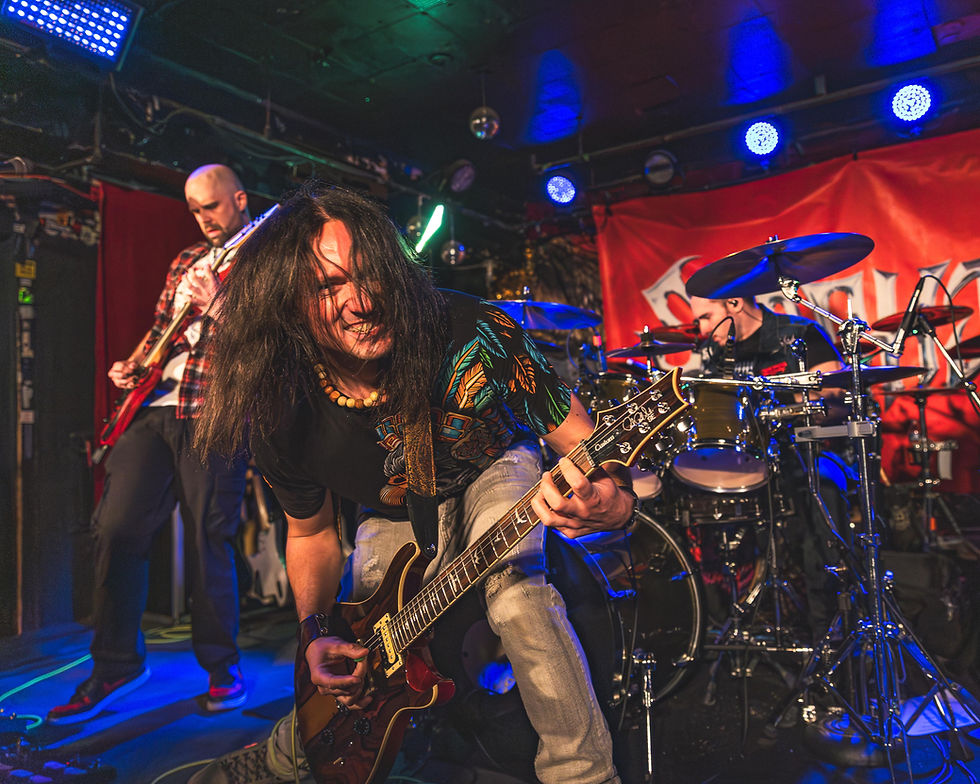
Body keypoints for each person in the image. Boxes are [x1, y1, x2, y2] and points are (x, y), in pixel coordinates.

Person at [191, 182, 636, 784]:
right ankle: (287, 756)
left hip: (491, 466)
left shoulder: (474, 332)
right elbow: (313, 533)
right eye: (328, 287)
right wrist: (315, 631)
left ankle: (585, 776)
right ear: (287, 305)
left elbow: (577, 435)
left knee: (519, 594)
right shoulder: (280, 405)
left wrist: (616, 501)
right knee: (371, 658)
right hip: (393, 507)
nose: (362, 301)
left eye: (370, 274)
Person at [47, 164, 252, 725]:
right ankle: (115, 663)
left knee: (210, 536)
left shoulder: (267, 261)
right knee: (115, 527)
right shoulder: (186, 259)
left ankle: (221, 666)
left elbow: (267, 346)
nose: (202, 218)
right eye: (193, 209)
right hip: (157, 407)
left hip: (214, 412)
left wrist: (218, 305)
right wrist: (135, 364)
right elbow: (159, 327)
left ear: (238, 199)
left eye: (210, 206)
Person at [685, 292, 853, 638]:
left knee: (821, 492)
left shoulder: (798, 333)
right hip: (751, 463)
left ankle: (830, 627)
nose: (702, 328)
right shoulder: (718, 354)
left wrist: (795, 401)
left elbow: (837, 401)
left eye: (705, 317)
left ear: (734, 303)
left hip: (807, 455)